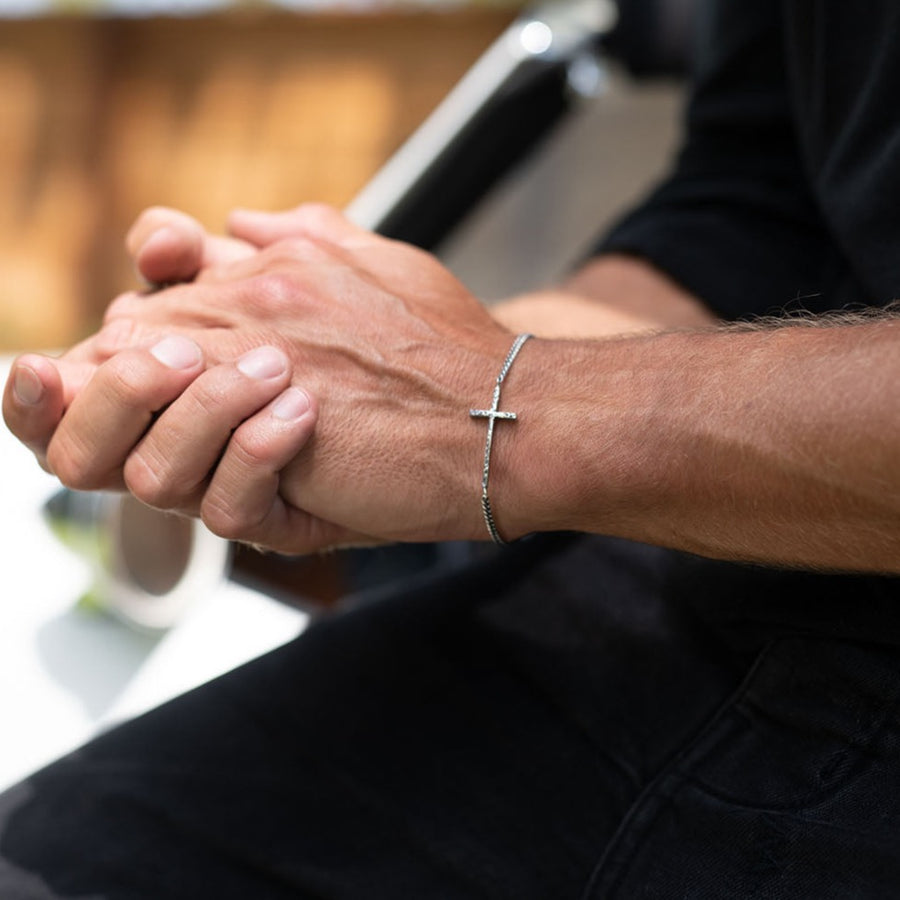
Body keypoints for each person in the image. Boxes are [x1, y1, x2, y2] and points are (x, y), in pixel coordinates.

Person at [3, 0, 900, 896]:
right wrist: (341, 372)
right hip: (691, 573)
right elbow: (756, 210)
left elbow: (514, 404)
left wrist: (502, 410)